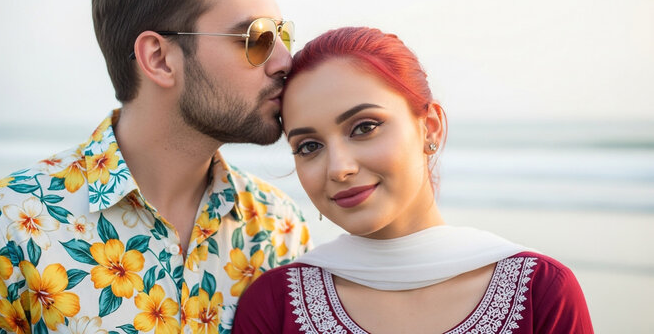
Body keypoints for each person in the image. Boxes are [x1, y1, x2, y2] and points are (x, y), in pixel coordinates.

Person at [0, 0, 311, 332]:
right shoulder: (10, 228)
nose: (286, 60)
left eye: (281, 35)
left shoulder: (280, 229)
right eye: (257, 37)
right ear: (159, 58)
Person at [233, 27, 593, 333]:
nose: (338, 168)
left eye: (365, 127)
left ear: (429, 126)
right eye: (309, 146)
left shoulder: (540, 292)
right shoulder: (274, 306)